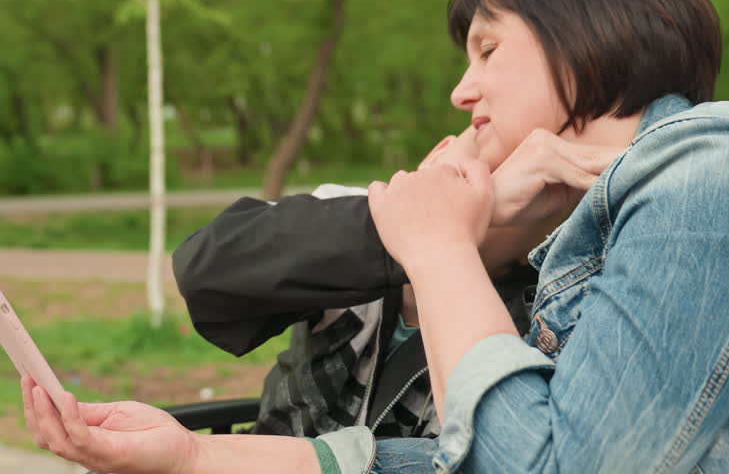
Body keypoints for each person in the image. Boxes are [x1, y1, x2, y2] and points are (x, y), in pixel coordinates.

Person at [20, 0, 729, 474]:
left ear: (587, 36)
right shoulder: (606, 236)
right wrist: (190, 460)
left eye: (487, 50)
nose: (460, 95)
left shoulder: (721, 170)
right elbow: (493, 455)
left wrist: (441, 250)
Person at [171, 125, 569, 439]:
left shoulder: (536, 321)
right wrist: (411, 227)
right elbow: (206, 272)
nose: (481, 189)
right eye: (479, 166)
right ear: (435, 155)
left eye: (524, 184)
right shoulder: (352, 215)